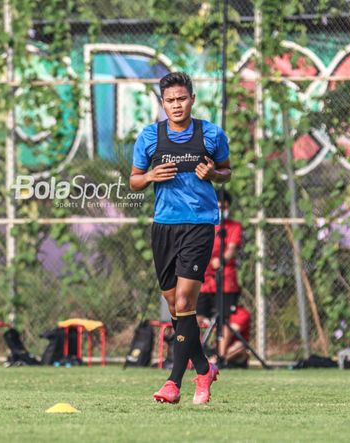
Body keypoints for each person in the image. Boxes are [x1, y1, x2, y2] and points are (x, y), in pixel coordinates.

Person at [129, 72, 231, 404]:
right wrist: (149, 176)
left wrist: (214, 173)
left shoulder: (211, 134)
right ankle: (204, 368)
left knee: (186, 303)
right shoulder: (149, 137)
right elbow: (133, 181)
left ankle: (174, 382)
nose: (177, 105)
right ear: (163, 103)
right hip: (163, 227)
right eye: (170, 100)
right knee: (175, 307)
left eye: (182, 98)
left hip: (199, 225)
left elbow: (227, 170)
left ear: (192, 99)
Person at [196, 191, 243, 360]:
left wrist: (221, 260)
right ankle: (193, 353)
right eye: (217, 207)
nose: (221, 210)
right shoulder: (203, 225)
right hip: (204, 281)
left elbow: (231, 249)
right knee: (196, 316)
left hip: (225, 281)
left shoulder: (234, 227)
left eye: (224, 207)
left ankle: (220, 356)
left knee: (224, 319)